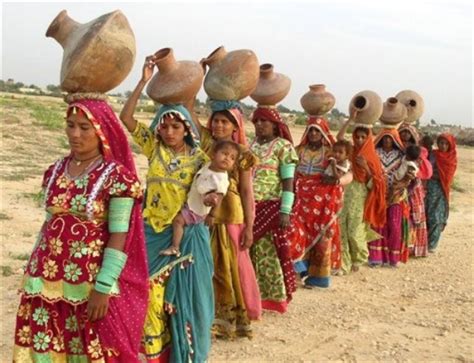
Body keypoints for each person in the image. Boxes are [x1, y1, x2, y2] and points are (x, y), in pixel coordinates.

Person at [13, 96, 149, 362]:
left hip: (89, 281)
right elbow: (48, 224)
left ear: (101, 131)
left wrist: (103, 286)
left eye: (84, 127)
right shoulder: (55, 170)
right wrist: (32, 268)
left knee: (89, 349)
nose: (75, 134)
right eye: (70, 125)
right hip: (44, 277)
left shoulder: (117, 177)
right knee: (47, 347)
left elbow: (119, 235)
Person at [120, 55, 213, 362]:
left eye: (175, 126)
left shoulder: (199, 159)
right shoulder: (154, 148)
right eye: (164, 126)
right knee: (144, 296)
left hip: (183, 238)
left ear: (186, 129)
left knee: (181, 300)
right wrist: (143, 80)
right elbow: (127, 117)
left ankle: (180, 354)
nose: (169, 132)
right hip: (149, 232)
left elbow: (213, 189)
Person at [195, 98, 260, 338]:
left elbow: (246, 190)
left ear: (236, 126)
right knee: (205, 264)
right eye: (215, 121)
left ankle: (228, 321)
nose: (218, 126)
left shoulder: (242, 154)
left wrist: (250, 227)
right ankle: (204, 315)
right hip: (204, 212)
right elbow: (190, 113)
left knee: (227, 266)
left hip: (230, 213)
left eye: (224, 122)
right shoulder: (207, 144)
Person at [289, 116, 353, 288]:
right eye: (311, 130)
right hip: (300, 196)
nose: (314, 134)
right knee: (296, 228)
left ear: (324, 132)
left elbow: (348, 174)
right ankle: (300, 269)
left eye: (317, 130)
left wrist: (337, 182)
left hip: (323, 200)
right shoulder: (298, 150)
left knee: (323, 234)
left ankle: (319, 278)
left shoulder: (332, 152)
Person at [249, 106, 298, 313]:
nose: (260, 125)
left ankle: (274, 298)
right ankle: (252, 295)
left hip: (272, 207)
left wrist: (285, 211)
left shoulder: (283, 147)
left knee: (271, 253)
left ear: (275, 125)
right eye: (257, 121)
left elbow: (288, 182)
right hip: (250, 207)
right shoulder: (250, 145)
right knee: (251, 254)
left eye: (264, 121)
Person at [160, 140, 239, 257]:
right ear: (213, 154)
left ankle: (175, 247)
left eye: (232, 158)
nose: (227, 158)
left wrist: (212, 214)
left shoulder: (221, 180)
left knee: (178, 221)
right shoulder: (208, 165)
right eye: (224, 154)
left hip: (197, 209)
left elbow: (220, 199)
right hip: (193, 201)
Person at [336, 118, 386, 275]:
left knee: (354, 231)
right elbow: (339, 138)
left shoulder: (371, 157)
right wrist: (351, 119)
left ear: (368, 138)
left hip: (360, 196)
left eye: (363, 137)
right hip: (344, 193)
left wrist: (365, 167)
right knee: (341, 229)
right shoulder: (350, 152)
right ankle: (343, 264)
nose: (359, 140)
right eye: (357, 136)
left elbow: (377, 182)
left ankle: (358, 258)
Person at [369, 129, 412, 267]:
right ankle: (376, 257)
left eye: (390, 138)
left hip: (396, 196)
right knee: (378, 224)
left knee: (394, 226)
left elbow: (410, 174)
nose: (387, 141)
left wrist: (402, 184)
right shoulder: (375, 152)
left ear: (394, 140)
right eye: (385, 138)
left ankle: (394, 257)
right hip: (379, 194)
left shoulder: (401, 155)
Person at [398, 124, 433, 257]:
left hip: (413, 187)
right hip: (399, 185)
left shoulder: (418, 152)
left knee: (415, 216)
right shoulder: (395, 148)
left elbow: (426, 171)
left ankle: (415, 248)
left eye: (408, 133)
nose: (405, 135)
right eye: (403, 132)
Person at [425, 133, 457, 252]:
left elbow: (447, 176)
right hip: (428, 189)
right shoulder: (433, 154)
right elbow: (424, 167)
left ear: (450, 145)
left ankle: (432, 244)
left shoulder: (452, 159)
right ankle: (423, 242)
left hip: (441, 190)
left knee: (436, 217)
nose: (443, 145)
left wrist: (432, 175)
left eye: (445, 143)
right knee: (425, 214)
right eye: (441, 143)